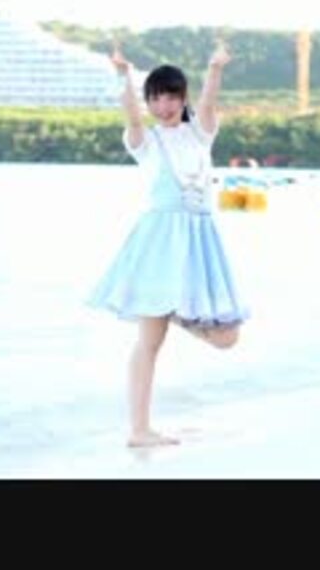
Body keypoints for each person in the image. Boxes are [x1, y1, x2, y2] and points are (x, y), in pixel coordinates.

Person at [88, 41, 249, 448]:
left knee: (228, 337)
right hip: (159, 243)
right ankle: (139, 430)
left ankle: (174, 311)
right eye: (155, 98)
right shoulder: (145, 142)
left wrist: (215, 68)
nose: (163, 106)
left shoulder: (200, 134)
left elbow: (209, 102)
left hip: (199, 243)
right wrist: (123, 76)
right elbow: (130, 115)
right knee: (149, 343)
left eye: (170, 97)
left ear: (182, 97)